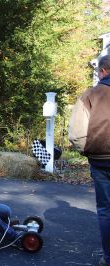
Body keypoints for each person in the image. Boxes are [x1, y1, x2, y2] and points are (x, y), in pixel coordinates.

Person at [68, 54, 110, 266]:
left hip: (101, 161)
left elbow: (76, 133)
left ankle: (108, 257)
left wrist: (88, 151)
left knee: (105, 210)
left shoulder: (90, 95)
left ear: (102, 71)